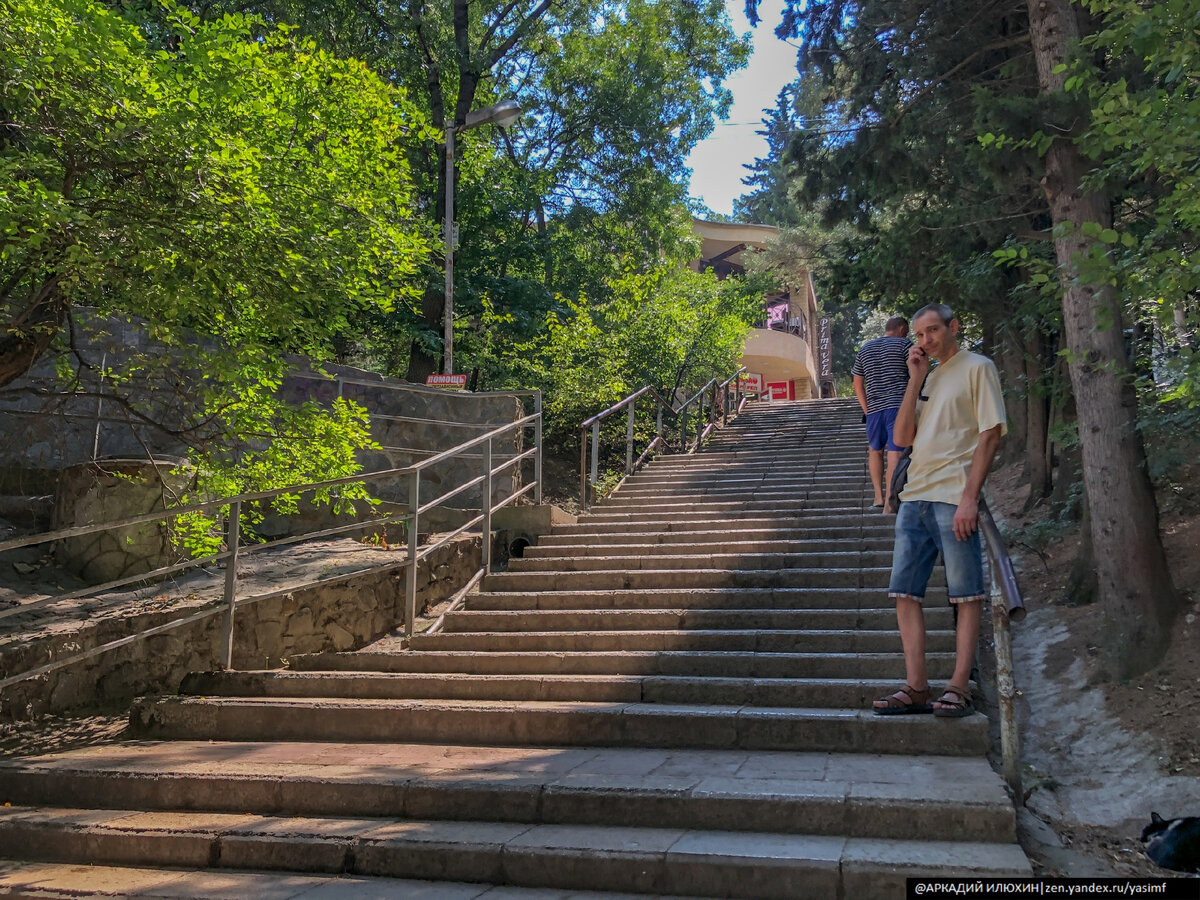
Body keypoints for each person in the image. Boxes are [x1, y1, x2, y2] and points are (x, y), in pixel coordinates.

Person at [872, 303, 1006, 718]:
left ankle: (959, 686)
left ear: (954, 326)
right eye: (920, 334)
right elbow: (901, 437)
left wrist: (970, 496)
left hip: (953, 495)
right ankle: (915, 687)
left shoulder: (977, 367)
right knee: (903, 593)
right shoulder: (928, 376)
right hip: (915, 497)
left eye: (933, 331)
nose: (926, 340)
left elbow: (990, 433)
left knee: (966, 595)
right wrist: (914, 380)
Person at [852, 317, 911, 509]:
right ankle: (889, 502)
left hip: (874, 410)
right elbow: (915, 374)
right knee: (895, 453)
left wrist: (866, 409)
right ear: (902, 329)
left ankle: (878, 497)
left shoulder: (865, 349)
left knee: (875, 451)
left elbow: (857, 382)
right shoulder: (904, 344)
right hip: (898, 407)